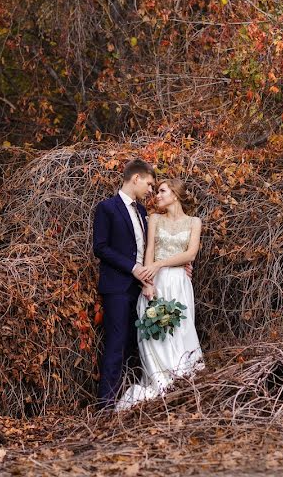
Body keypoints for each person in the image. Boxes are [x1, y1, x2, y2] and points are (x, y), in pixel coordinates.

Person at [92, 159, 193, 410]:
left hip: (143, 288)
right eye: (149, 183)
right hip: (118, 286)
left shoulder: (142, 213)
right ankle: (105, 407)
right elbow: (101, 247)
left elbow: (153, 248)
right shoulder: (107, 208)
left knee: (134, 346)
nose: (151, 189)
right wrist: (134, 268)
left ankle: (127, 402)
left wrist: (181, 266)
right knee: (115, 344)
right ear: (135, 178)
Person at [114, 178, 205, 411]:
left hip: (180, 284)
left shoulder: (194, 222)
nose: (157, 195)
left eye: (163, 191)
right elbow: (149, 253)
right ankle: (162, 386)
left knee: (182, 333)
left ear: (175, 194)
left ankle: (183, 387)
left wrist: (160, 264)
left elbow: (191, 254)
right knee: (157, 336)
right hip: (158, 282)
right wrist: (148, 282)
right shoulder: (154, 219)